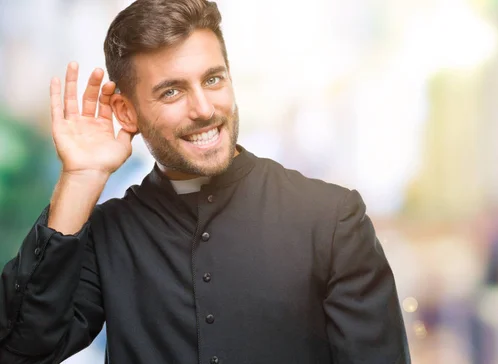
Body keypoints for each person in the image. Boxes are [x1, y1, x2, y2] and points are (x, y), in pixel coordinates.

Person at [0, 0, 411, 363]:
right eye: (172, 92)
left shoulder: (332, 219)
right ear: (126, 113)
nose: (203, 108)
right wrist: (80, 178)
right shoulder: (109, 232)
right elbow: (22, 348)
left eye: (213, 79)